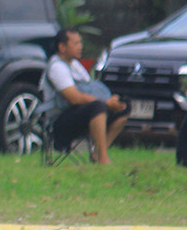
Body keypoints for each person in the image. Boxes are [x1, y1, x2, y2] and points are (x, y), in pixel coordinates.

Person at [40, 28, 130, 164]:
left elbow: (90, 90)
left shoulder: (75, 65)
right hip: (60, 122)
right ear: (62, 47)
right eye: (76, 43)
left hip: (81, 113)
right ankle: (103, 159)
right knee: (98, 107)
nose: (80, 47)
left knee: (124, 107)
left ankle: (97, 153)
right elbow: (74, 98)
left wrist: (112, 101)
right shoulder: (57, 67)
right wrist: (106, 103)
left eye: (80, 43)